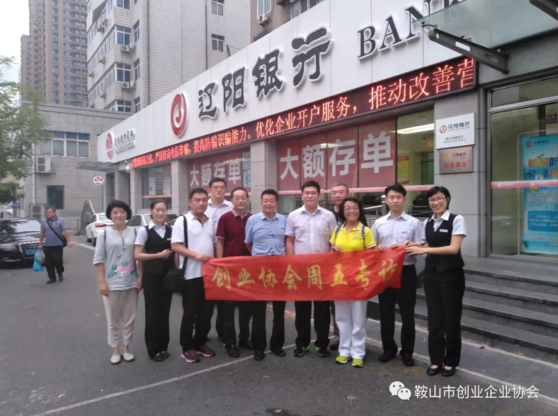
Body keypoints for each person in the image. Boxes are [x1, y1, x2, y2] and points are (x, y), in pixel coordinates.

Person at [405, 186, 466, 378]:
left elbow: (453, 248)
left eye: (439, 198)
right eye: (432, 200)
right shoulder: (428, 222)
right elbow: (427, 245)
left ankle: (451, 361)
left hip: (451, 275)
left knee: (451, 319)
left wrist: (423, 250)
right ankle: (436, 360)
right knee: (434, 319)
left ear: (447, 199)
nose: (436, 202)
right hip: (431, 275)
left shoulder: (456, 219)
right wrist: (413, 245)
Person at [371, 184, 425, 367]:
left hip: (406, 272)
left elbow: (421, 247)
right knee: (386, 312)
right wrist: (378, 248)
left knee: (407, 313)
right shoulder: (378, 223)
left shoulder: (414, 223)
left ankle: (407, 352)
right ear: (386, 200)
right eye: (391, 197)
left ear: (404, 199)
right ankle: (389, 348)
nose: (395, 201)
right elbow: (372, 247)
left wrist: (408, 247)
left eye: (398, 197)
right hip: (385, 273)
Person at [286, 180, 337, 358]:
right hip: (301, 270)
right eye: (306, 193)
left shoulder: (328, 216)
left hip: (322, 270)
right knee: (302, 309)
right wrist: (292, 263)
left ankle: (322, 344)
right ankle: (302, 344)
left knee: (322, 309)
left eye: (313, 193)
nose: (309, 196)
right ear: (302, 195)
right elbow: (290, 240)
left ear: (319, 195)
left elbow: (333, 240)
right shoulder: (293, 216)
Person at [330, 197, 377, 368]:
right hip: (340, 280)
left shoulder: (365, 231)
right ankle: (344, 351)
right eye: (348, 208)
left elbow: (372, 256)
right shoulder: (337, 230)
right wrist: (334, 249)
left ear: (360, 210)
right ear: (343, 211)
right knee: (342, 318)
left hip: (359, 281)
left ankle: (358, 352)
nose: (351, 211)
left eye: (355, 208)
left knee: (358, 319)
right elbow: (331, 252)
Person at [171, 188, 216, 364]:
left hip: (209, 275)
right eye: (197, 200)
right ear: (190, 202)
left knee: (207, 312)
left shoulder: (210, 221)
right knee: (190, 312)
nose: (201, 203)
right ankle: (187, 347)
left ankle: (200, 342)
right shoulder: (182, 221)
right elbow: (175, 246)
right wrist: (195, 255)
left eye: (204, 200)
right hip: (191, 275)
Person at [93, 200, 141, 365]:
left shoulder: (135, 232)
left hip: (131, 281)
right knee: (113, 319)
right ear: (110, 215)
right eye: (115, 212)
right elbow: (99, 260)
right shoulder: (104, 235)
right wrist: (102, 282)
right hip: (112, 282)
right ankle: (115, 349)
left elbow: (139, 257)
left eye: (122, 212)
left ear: (127, 214)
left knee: (129, 317)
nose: (119, 215)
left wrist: (140, 277)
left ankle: (126, 348)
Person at [245, 189, 288, 360]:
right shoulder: (252, 220)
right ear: (261, 202)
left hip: (279, 270)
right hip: (260, 270)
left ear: (276, 203)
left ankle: (277, 345)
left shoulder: (284, 220)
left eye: (271, 201)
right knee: (259, 310)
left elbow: (287, 241)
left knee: (279, 310)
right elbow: (248, 243)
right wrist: (259, 258)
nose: (268, 203)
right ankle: (259, 347)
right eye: (265, 201)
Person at [216, 187, 254, 359]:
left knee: (246, 308)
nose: (240, 200)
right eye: (237, 198)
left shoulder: (252, 218)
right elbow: (220, 243)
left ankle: (244, 338)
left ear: (247, 200)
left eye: (243, 197)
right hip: (229, 269)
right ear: (231, 200)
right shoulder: (224, 218)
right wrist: (219, 265)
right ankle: (230, 342)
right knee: (228, 309)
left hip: (248, 269)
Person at [134, 200, 174, 362]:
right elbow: (137, 255)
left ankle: (163, 346)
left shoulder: (171, 229)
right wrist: (158, 255)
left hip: (167, 277)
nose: (160, 213)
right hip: (151, 277)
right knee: (152, 313)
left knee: (164, 312)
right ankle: (153, 349)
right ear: (151, 211)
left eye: (163, 210)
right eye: (157, 210)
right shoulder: (144, 231)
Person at [328, 182, 350, 351]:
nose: (337, 195)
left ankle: (353, 337)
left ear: (347, 194)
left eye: (341, 192)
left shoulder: (354, 212)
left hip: (351, 266)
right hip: (330, 265)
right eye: (334, 192)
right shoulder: (327, 214)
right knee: (335, 303)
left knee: (353, 303)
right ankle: (338, 336)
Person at [38, 207, 73, 284]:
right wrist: (40, 243)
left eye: (50, 212)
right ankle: (52, 277)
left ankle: (60, 273)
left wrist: (69, 241)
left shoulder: (61, 220)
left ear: (54, 213)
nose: (48, 214)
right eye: (47, 212)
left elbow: (65, 231)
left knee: (57, 260)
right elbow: (42, 232)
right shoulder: (44, 221)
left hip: (58, 244)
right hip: (47, 245)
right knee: (48, 262)